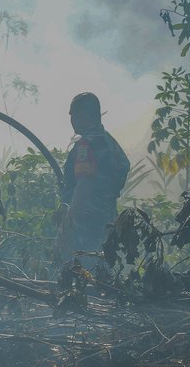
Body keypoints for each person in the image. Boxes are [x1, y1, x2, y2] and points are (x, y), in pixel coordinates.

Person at [61, 92, 130, 257]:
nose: (71, 120)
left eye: (73, 114)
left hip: (85, 220)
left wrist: (70, 220)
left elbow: (85, 183)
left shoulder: (86, 144)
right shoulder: (110, 143)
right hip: (107, 217)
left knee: (80, 266)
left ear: (82, 115)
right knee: (102, 265)